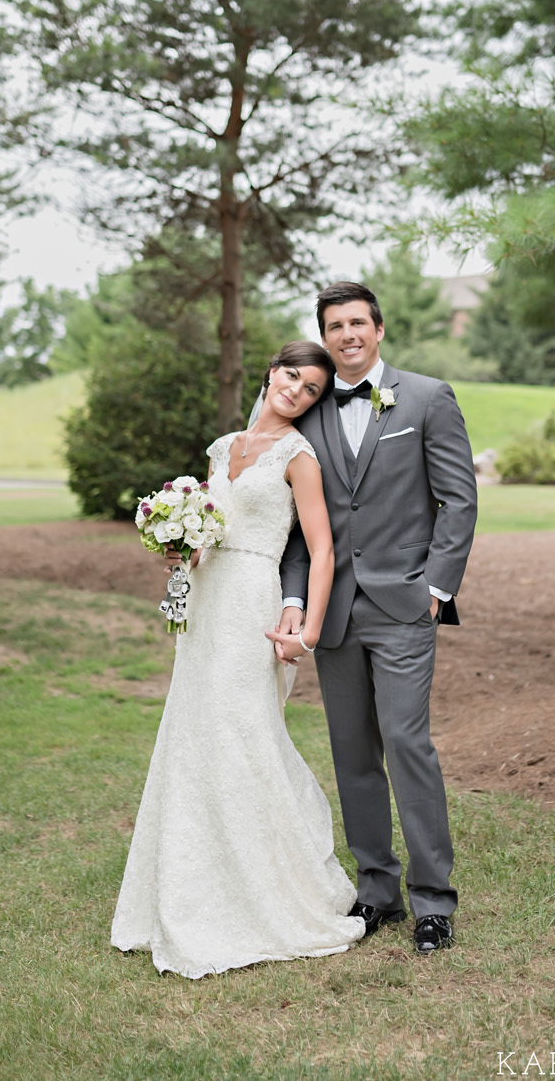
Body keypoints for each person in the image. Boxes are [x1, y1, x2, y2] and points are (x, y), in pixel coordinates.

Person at [110, 341, 366, 978]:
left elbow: (322, 550)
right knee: (194, 734)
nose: (297, 392)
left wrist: (305, 627)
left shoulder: (298, 457)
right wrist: (183, 545)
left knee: (244, 732)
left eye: (310, 390)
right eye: (291, 378)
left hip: (252, 602)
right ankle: (192, 883)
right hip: (205, 603)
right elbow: (212, 529)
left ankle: (274, 890)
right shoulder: (223, 449)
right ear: (271, 373)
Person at [270, 282, 478, 955]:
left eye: (357, 322)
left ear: (379, 329)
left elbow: (458, 499)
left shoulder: (426, 398)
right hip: (334, 612)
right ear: (324, 337)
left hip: (403, 607)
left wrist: (435, 588)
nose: (346, 334)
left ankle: (432, 902)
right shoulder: (308, 411)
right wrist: (297, 598)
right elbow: (303, 530)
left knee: (406, 742)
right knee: (353, 752)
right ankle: (377, 890)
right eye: (334, 326)